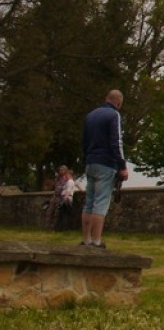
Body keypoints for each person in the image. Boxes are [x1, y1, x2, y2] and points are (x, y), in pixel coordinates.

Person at [81, 89, 129, 249]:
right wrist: (122, 166)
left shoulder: (91, 115)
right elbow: (117, 142)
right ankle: (96, 241)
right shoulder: (113, 115)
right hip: (106, 163)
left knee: (89, 202)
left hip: (91, 161)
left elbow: (84, 141)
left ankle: (86, 239)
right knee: (101, 202)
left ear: (106, 98)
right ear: (118, 103)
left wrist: (87, 158)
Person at [48, 165, 82, 231]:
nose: (60, 171)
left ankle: (58, 228)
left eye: (62, 170)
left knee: (60, 214)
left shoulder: (69, 181)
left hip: (64, 198)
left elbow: (70, 188)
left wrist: (65, 198)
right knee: (53, 212)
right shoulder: (59, 178)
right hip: (57, 196)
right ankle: (52, 228)